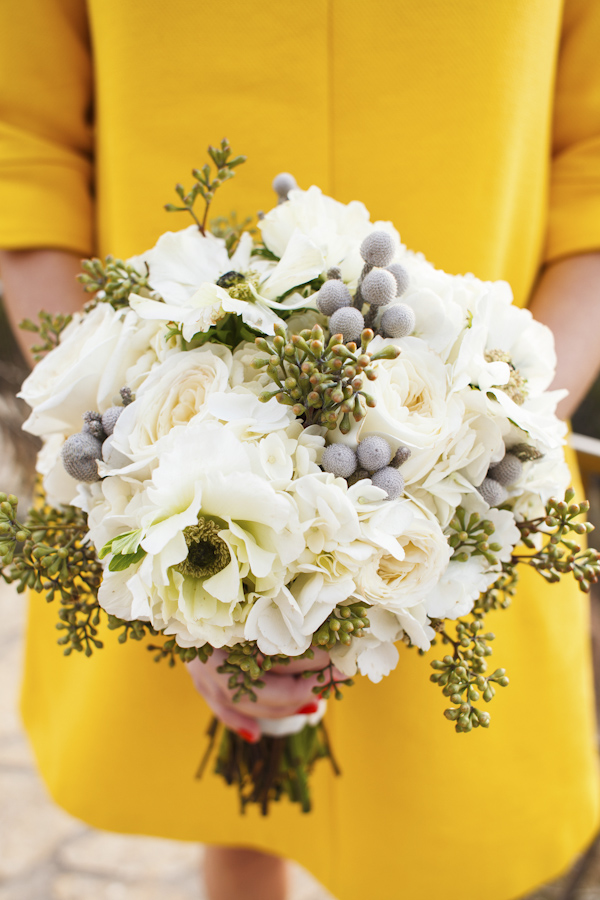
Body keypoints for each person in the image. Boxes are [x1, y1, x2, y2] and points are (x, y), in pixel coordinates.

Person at [1, 2, 600, 898]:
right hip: (166, 405)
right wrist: (138, 467)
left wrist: (490, 438)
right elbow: (24, 145)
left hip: (462, 444)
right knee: (241, 817)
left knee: (449, 823)